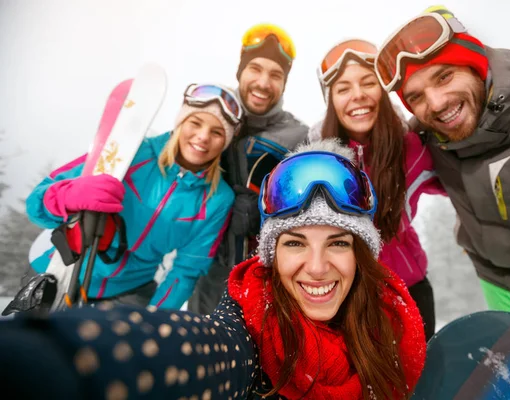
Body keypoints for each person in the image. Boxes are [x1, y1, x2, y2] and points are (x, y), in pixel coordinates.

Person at [0, 140, 426, 400]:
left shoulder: (393, 322)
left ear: (361, 254)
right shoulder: (249, 327)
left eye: (337, 243)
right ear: (271, 255)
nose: (316, 268)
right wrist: (50, 359)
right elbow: (189, 352)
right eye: (295, 243)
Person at [374, 4, 510, 393]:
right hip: (498, 291)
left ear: (475, 64)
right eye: (417, 96)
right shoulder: (431, 135)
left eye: (444, 77)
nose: (437, 103)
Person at [20, 84, 239, 310]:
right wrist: (68, 197)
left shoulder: (217, 199)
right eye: (195, 123)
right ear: (180, 123)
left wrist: (155, 320)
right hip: (61, 270)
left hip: (130, 293)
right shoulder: (131, 153)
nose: (203, 137)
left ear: (226, 142)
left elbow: (186, 271)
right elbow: (36, 204)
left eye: (217, 132)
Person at [309, 38, 445, 340]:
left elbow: (463, 182)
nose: (357, 96)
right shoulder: (315, 160)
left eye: (368, 83)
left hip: (410, 290)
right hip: (346, 299)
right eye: (343, 89)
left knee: (418, 383)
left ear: (383, 90)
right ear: (332, 101)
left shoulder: (413, 148)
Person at [190, 23, 308, 314]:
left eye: (275, 75)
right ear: (240, 71)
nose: (263, 83)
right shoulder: (209, 117)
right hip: (205, 277)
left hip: (264, 283)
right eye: (255, 69)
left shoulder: (298, 136)